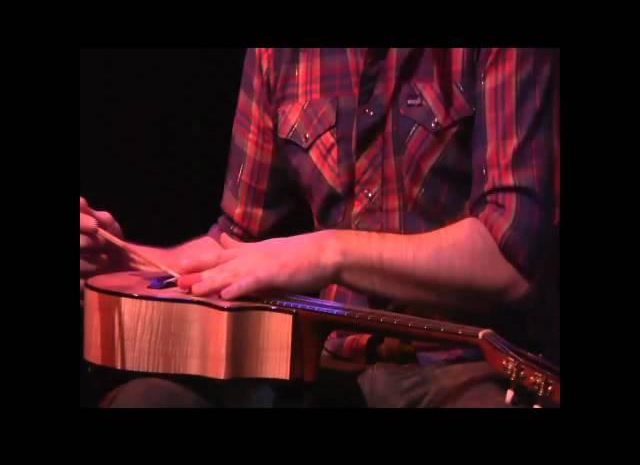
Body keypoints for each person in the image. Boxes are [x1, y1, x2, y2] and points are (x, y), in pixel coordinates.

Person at [80, 48, 560, 408]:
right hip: (319, 364)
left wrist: (328, 252)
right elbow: (234, 242)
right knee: (147, 400)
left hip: (464, 365)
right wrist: (119, 257)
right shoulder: (279, 55)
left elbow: (509, 257)